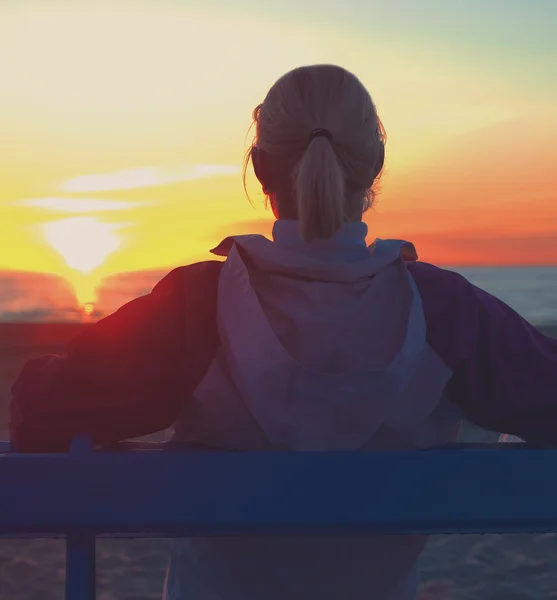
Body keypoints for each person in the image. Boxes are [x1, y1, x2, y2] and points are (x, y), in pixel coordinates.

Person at [10, 64, 557, 600]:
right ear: (375, 166)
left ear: (260, 167)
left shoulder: (198, 306)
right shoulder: (445, 312)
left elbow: (40, 414)